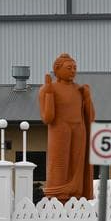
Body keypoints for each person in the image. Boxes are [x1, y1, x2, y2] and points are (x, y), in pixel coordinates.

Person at [38, 53, 95, 200]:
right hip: (60, 129)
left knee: (77, 162)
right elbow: (48, 118)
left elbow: (91, 117)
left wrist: (87, 97)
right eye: (69, 68)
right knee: (59, 163)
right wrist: (49, 93)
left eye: (75, 68)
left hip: (79, 128)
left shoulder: (79, 90)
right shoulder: (48, 89)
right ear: (57, 69)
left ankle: (77, 191)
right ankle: (57, 192)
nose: (73, 71)